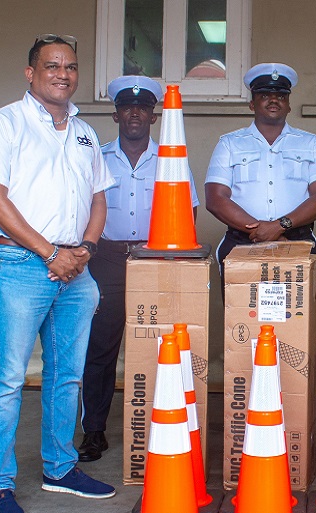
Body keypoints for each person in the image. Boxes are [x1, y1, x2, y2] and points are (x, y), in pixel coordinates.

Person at [0, 34, 117, 513]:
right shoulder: (2, 123)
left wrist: (85, 249)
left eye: (71, 66)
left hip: (75, 268)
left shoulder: (84, 132)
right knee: (8, 379)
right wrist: (51, 252)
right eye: (51, 65)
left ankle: (60, 468)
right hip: (18, 265)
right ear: (30, 73)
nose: (63, 73)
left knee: (67, 376)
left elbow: (97, 197)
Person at [76, 75, 199, 462]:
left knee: (163, 344)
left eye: (143, 108)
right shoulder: (96, 155)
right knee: (100, 346)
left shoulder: (171, 158)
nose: (135, 113)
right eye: (128, 107)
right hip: (106, 256)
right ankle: (94, 431)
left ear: (153, 115)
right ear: (116, 115)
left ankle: (164, 425)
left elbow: (189, 210)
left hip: (154, 256)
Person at [205, 63, 316, 276]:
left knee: (295, 310)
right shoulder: (229, 143)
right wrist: (260, 231)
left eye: (281, 96)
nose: (274, 100)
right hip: (242, 241)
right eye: (265, 95)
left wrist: (279, 227)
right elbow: (216, 198)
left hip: (297, 240)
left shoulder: (310, 143)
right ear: (252, 104)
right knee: (241, 309)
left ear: (289, 105)